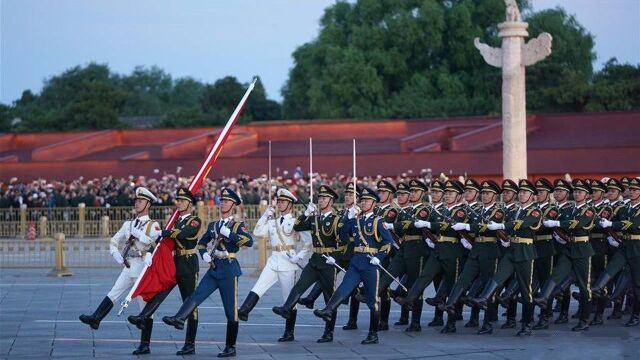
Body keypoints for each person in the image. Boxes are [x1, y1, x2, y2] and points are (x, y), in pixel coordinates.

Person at [163, 188, 253, 358]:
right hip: (214, 267)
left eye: (226, 201)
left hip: (229, 269)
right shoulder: (213, 225)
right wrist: (204, 255)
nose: (223, 203)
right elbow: (202, 243)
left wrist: (230, 234)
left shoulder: (237, 225)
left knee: (230, 310)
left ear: (233, 204)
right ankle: (179, 318)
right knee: (197, 295)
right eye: (222, 201)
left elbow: (249, 241)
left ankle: (230, 347)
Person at [79, 187, 161, 355]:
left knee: (144, 306)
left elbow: (156, 244)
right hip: (129, 264)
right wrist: (116, 255)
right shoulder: (128, 224)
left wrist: (139, 235)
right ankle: (96, 318)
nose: (137, 204)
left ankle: (145, 344)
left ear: (148, 204)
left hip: (143, 268)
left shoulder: (153, 225)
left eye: (141, 201)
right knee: (113, 293)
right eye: (136, 201)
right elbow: (114, 240)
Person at [127, 187, 202, 355]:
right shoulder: (175, 221)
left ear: (189, 203)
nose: (179, 203)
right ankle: (143, 316)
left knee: (190, 304)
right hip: (175, 264)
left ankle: (190, 344)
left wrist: (164, 232)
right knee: (160, 292)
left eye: (182, 201)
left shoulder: (195, 220)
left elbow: (185, 233)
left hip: (188, 265)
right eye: (178, 200)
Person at [314, 187, 393, 344]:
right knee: (344, 287)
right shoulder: (357, 220)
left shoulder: (378, 221)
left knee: (372, 300)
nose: (363, 203)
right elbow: (342, 234)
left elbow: (388, 243)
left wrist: (379, 257)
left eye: (367, 201)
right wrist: (348, 218)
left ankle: (373, 334)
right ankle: (328, 310)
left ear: (374, 203)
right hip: (356, 261)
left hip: (371, 263)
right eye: (362, 200)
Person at [237, 188, 309, 342]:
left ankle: (289, 332)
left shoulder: (295, 221)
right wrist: (266, 215)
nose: (280, 204)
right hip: (274, 260)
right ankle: (244, 310)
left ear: (290, 205)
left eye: (283, 202)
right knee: (259, 286)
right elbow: (257, 232)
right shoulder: (273, 222)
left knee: (288, 299)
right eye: (279, 201)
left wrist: (299, 257)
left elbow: (308, 242)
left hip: (289, 263)